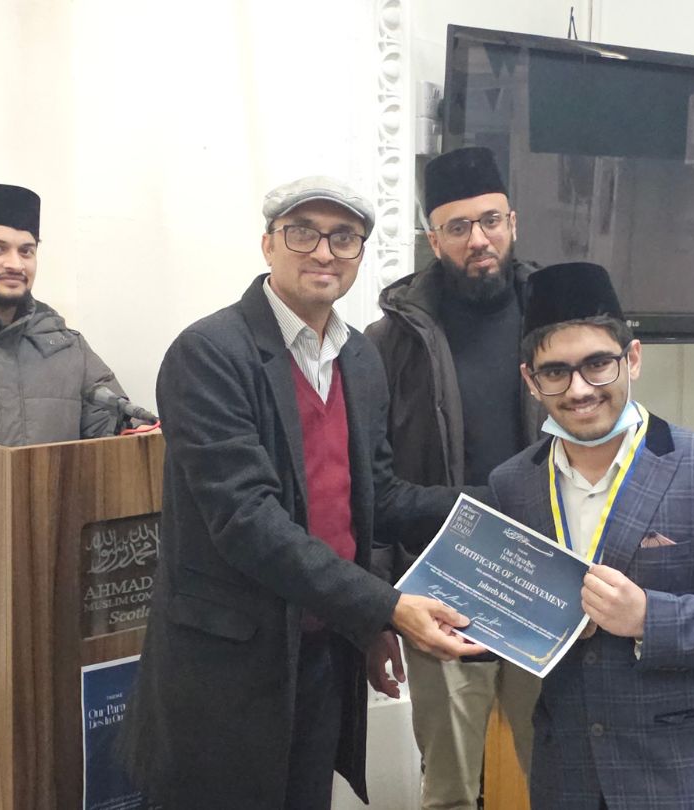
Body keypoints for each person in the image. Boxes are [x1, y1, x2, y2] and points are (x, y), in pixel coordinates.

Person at [119, 176, 485, 810]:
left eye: (343, 237)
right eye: (302, 233)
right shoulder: (209, 352)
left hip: (321, 654)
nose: (323, 252)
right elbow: (247, 520)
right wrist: (386, 608)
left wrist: (502, 498)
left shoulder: (358, 359)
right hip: (226, 667)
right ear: (268, 244)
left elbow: (376, 502)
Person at [486, 262, 694, 809]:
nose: (579, 390)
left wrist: (649, 619)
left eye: (597, 365)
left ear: (632, 358)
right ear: (531, 380)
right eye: (555, 372)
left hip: (689, 782)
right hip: (568, 780)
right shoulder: (513, 483)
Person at [365, 145, 542, 808]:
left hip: (547, 588)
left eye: (491, 220)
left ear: (513, 222)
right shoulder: (389, 343)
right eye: (459, 227)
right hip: (442, 596)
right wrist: (378, 610)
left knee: (561, 782)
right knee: (448, 793)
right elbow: (373, 489)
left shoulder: (557, 322)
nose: (479, 239)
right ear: (433, 239)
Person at [0, 183, 148, 445]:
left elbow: (120, 435)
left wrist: (142, 434)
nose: (15, 264)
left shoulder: (66, 348)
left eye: (26, 251)